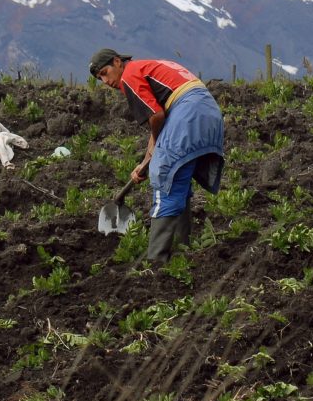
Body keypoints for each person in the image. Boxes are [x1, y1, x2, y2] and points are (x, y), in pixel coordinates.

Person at [89, 48, 224, 262]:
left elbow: (156, 116)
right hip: (208, 113)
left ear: (117, 62)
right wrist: (145, 161)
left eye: (105, 73)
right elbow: (159, 124)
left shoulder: (130, 74)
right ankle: (183, 252)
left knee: (164, 175)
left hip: (187, 112)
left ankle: (156, 261)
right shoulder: (147, 67)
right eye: (99, 78)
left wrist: (153, 159)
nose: (105, 81)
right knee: (178, 179)